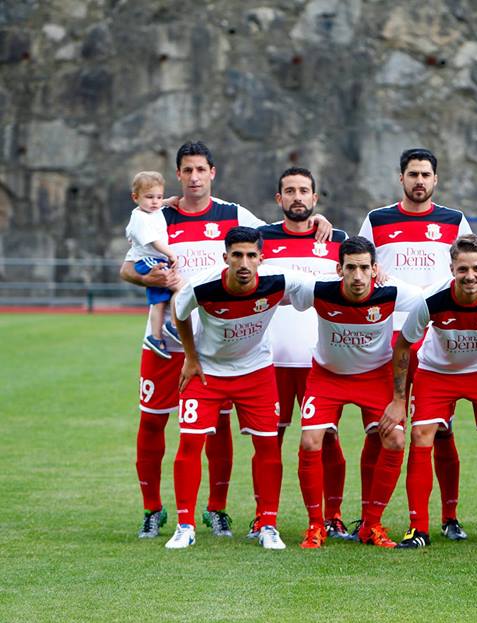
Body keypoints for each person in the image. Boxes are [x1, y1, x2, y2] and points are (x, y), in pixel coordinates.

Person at [120, 141, 332, 540]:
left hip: (218, 342)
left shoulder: (234, 213)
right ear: (178, 174)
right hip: (170, 339)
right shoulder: (158, 215)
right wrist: (148, 278)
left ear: (212, 173)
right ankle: (152, 510)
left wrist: (317, 222)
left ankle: (215, 510)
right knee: (152, 421)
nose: (195, 177)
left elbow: (268, 238)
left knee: (214, 426)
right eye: (187, 170)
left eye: (202, 169)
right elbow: (127, 268)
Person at [164, 226, 314, 550]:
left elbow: (324, 288)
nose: (244, 263)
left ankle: (268, 524)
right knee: (190, 443)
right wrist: (190, 356)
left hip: (256, 372)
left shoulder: (280, 280)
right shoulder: (204, 285)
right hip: (208, 373)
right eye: (237, 256)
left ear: (261, 258)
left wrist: (376, 277)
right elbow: (179, 310)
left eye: (250, 256)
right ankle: (185, 525)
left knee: (268, 446)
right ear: (225, 258)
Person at [380, 235, 477, 551]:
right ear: (452, 269)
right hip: (438, 372)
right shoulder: (431, 299)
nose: (471, 276)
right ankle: (418, 529)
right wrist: (398, 400)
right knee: (421, 435)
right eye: (463, 269)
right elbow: (404, 345)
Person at [358, 148, 473, 540]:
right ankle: (368, 515)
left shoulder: (454, 221)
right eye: (413, 174)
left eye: (426, 174)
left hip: (438, 337)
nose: (419, 181)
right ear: (401, 178)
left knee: (441, 429)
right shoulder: (377, 220)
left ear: (436, 180)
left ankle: (449, 516)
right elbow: (362, 269)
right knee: (381, 427)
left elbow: (467, 271)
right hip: (387, 336)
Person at [285, 236, 423, 549]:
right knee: (310, 440)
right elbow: (285, 290)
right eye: (351, 268)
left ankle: (372, 525)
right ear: (339, 269)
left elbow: (430, 304)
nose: (358, 276)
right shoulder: (318, 289)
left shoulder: (393, 291)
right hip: (327, 377)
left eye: (364, 268)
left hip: (376, 377)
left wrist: (400, 399)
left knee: (396, 439)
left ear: (375, 269)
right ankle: (315, 525)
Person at [259, 167, 351, 540]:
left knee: (328, 439)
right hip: (271, 360)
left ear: (315, 199)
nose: (298, 197)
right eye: (290, 191)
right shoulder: (260, 239)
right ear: (279, 199)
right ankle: (264, 517)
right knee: (270, 442)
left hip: (319, 361)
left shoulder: (339, 240)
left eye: (304, 191)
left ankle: (334, 515)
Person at [124, 171, 180, 359]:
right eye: (149, 197)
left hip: (155, 259)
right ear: (135, 197)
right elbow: (154, 241)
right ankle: (173, 325)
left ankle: (156, 336)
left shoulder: (151, 209)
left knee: (159, 301)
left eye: (159, 197)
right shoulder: (140, 218)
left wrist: (168, 201)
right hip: (149, 260)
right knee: (180, 288)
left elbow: (156, 205)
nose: (155, 202)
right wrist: (170, 253)